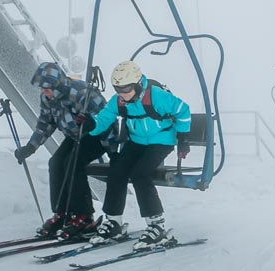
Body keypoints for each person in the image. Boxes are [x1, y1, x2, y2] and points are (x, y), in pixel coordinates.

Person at [79, 59, 191, 251]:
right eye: (118, 89)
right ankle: (113, 221)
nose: (122, 94)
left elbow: (183, 110)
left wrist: (183, 138)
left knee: (140, 174)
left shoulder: (157, 96)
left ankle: (156, 224)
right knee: (117, 171)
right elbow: (104, 119)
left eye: (126, 89)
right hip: (137, 141)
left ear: (138, 84)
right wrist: (91, 125)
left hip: (161, 141)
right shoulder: (119, 100)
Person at [14, 62, 118, 240]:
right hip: (74, 136)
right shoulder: (48, 98)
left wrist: (113, 152)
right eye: (42, 89)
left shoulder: (81, 93)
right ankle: (62, 212)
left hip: (96, 135)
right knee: (55, 163)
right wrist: (31, 147)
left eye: (46, 88)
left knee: (73, 162)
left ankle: (84, 216)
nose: (43, 92)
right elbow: (46, 122)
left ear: (58, 85)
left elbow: (107, 120)